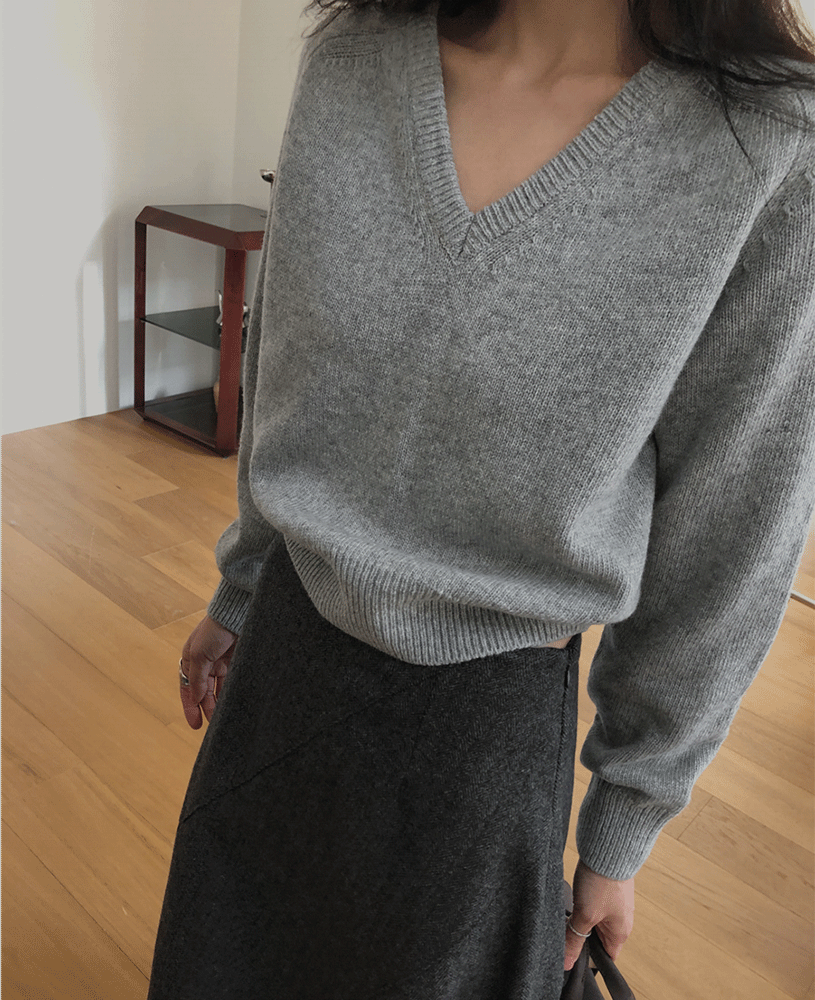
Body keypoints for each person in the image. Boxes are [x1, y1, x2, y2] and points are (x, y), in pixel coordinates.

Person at [146, 0, 815, 996]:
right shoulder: (353, 57)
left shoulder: (767, 143)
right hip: (285, 662)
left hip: (482, 740)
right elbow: (283, 359)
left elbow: (731, 530)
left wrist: (623, 818)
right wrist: (242, 584)